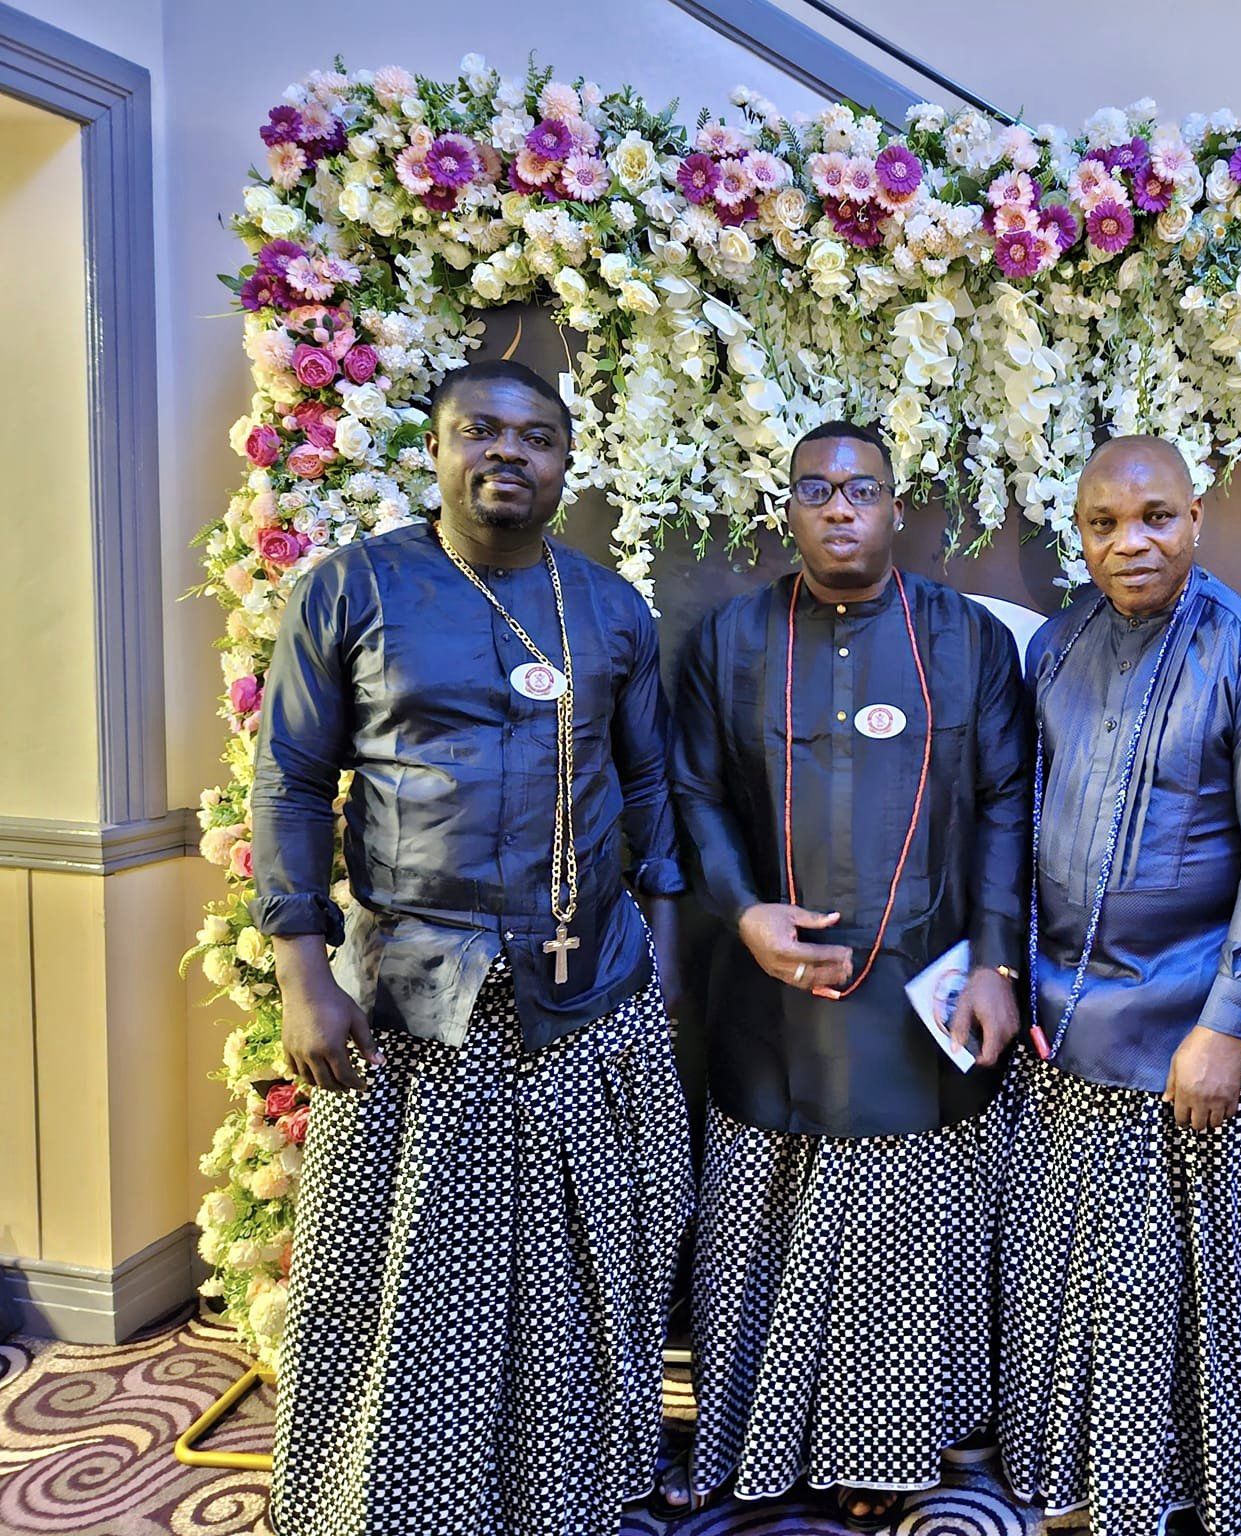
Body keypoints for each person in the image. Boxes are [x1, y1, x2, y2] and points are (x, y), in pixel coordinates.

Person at [251, 360, 693, 1536]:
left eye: (536, 436)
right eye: (480, 431)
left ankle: (567, 1493)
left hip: (587, 990)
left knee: (578, 1273)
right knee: (415, 1283)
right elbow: (292, 781)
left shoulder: (604, 606)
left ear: (566, 461)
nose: (509, 453)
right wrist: (303, 972)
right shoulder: (355, 589)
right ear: (436, 447)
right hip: (413, 995)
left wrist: (655, 955)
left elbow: (646, 787)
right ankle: (399, 1504)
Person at [667, 420, 1031, 1527]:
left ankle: (904, 1445)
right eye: (815, 490)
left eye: (859, 489)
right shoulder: (729, 638)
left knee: (906, 1238)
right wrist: (740, 914)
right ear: (786, 508)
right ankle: (757, 1442)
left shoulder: (965, 637)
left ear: (894, 504)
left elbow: (1008, 801)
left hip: (923, 992)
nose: (838, 509)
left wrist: (999, 962)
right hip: (769, 999)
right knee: (760, 1230)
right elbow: (691, 794)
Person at [996, 435, 1241, 1536]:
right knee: (1060, 1280)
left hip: (1184, 1032)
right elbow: (1021, 816)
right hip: (1059, 1023)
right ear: (1077, 533)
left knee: (1150, 1298)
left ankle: (1157, 1490)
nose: (1127, 542)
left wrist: (1227, 1024)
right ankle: (1062, 1478)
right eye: (1100, 523)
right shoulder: (1060, 642)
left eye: (1152, 518)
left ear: (1194, 520)